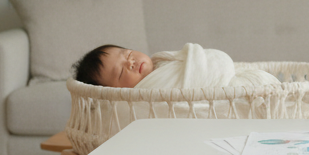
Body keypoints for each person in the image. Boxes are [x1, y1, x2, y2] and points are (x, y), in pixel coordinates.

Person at [72, 43, 279, 90]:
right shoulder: (145, 95)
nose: (130, 62)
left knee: (255, 80)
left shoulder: (162, 62)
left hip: (224, 78)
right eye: (120, 71)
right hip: (225, 94)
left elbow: (203, 62)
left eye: (127, 54)